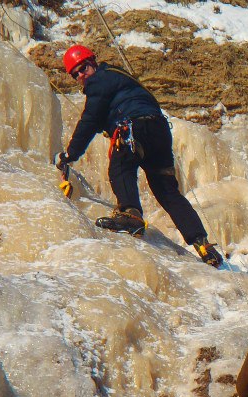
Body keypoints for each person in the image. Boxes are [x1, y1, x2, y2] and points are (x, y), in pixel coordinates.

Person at [55, 44, 223, 268]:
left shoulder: (100, 80)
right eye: (75, 74)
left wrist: (70, 154)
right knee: (166, 191)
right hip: (159, 132)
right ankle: (202, 244)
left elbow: (90, 119)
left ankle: (131, 214)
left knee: (119, 167)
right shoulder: (120, 78)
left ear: (93, 62)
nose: (81, 75)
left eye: (83, 68)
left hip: (135, 128)